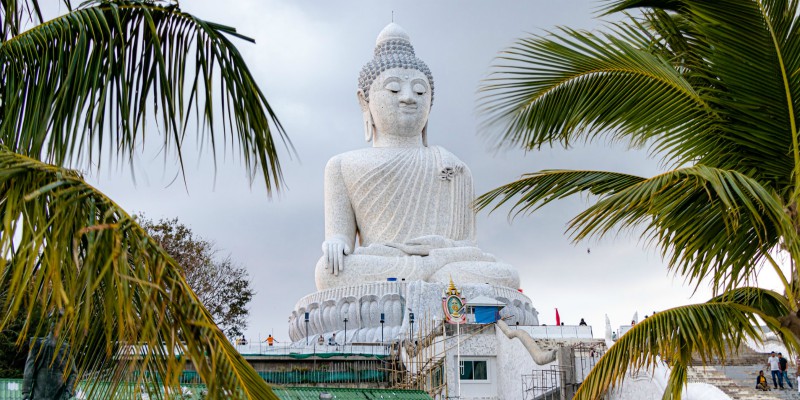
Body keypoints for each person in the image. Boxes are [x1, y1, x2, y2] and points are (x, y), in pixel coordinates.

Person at [314, 23, 519, 291]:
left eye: (420, 91)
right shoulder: (342, 166)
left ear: (430, 101)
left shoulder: (454, 167)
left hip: (446, 264)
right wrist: (337, 244)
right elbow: (340, 237)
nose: (409, 98)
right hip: (386, 264)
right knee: (328, 272)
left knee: (506, 275)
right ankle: (430, 282)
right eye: (394, 89)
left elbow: (467, 246)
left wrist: (437, 253)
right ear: (364, 101)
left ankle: (426, 281)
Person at [22, 332, 76, 400]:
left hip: (59, 395)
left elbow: (73, 373)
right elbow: (29, 369)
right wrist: (26, 392)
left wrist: (68, 391)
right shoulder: (38, 344)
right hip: (39, 394)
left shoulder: (66, 347)